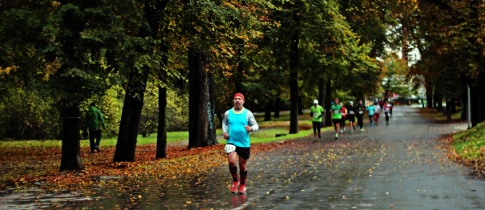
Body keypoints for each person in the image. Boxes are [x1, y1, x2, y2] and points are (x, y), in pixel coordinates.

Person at [222, 93, 259, 195]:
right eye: (235, 99)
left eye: (239, 99)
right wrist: (225, 132)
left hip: (244, 143)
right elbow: (224, 123)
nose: (237, 100)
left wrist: (251, 128)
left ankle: (242, 185)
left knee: (242, 165)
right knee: (231, 162)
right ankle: (235, 181)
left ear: (243, 101)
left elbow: (256, 125)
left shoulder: (248, 113)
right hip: (231, 141)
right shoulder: (228, 113)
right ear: (233, 101)